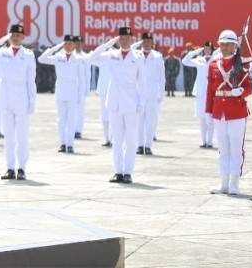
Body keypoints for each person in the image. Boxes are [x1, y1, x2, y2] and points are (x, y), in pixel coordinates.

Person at [88, 26, 145, 184]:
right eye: (121, 38)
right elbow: (91, 59)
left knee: (131, 140)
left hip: (131, 101)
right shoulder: (111, 55)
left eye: (127, 38)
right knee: (117, 140)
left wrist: (142, 102)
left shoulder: (138, 57)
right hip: (114, 101)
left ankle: (128, 172)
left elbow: (142, 82)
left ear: (132, 39)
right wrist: (107, 44)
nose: (124, 40)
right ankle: (118, 171)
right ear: (118, 40)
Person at [0, 24, 37, 180]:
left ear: (23, 37)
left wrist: (32, 100)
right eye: (12, 35)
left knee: (22, 137)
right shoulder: (2, 52)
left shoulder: (28, 55)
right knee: (9, 137)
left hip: (21, 98)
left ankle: (22, 168)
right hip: (6, 98)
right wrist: (0, 41)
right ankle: (10, 168)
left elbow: (31, 80)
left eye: (18, 35)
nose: (15, 37)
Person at [206, 29, 252, 195]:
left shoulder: (242, 64)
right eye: (222, 44)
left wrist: (241, 91)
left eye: (228, 44)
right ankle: (224, 183)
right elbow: (209, 91)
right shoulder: (213, 65)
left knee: (236, 148)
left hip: (236, 111)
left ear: (235, 46)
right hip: (219, 111)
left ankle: (234, 183)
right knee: (223, 148)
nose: (225, 47)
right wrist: (208, 111)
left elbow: (249, 87)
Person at [40, 35, 84, 153]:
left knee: (71, 119)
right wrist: (56, 47)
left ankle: (70, 144)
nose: (68, 46)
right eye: (66, 43)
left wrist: (80, 95)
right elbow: (42, 58)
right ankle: (62, 143)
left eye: (70, 43)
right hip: (61, 91)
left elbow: (81, 79)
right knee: (61, 120)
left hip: (73, 92)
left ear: (74, 45)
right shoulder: (58, 57)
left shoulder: (78, 59)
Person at [133, 33, 165, 155]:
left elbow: (161, 77)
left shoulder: (157, 56)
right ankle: (140, 145)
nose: (146, 43)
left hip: (152, 91)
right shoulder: (136, 55)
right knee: (139, 120)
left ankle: (148, 145)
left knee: (150, 120)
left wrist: (161, 93)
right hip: (138, 91)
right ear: (141, 42)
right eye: (144, 41)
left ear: (152, 43)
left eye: (148, 41)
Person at [183, 41, 216, 148]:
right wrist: (196, 51)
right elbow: (185, 61)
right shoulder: (199, 60)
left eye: (209, 48)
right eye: (205, 48)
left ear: (212, 50)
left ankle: (210, 141)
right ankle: (203, 140)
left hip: (212, 92)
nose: (207, 50)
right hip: (200, 92)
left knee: (210, 117)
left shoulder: (215, 59)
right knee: (202, 118)